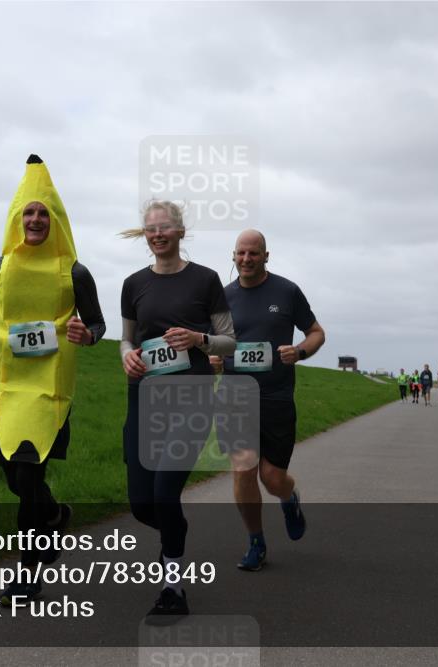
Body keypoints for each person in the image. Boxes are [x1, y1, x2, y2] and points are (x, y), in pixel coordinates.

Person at [0, 154, 105, 605]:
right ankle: (54, 515)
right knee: (15, 477)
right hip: (4, 388)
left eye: (42, 213)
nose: (34, 219)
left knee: (28, 476)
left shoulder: (75, 272)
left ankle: (27, 575)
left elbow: (99, 326)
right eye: (27, 212)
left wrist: (86, 334)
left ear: (57, 222)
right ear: (15, 219)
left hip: (48, 391)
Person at [120, 201, 236, 622]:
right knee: (141, 503)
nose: (157, 234)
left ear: (180, 232)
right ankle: (176, 532)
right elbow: (126, 340)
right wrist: (127, 355)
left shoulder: (204, 280)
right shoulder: (133, 284)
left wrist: (198, 338)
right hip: (143, 399)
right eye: (150, 228)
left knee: (166, 493)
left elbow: (229, 341)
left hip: (191, 398)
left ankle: (173, 586)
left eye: (164, 227)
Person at [208, 230, 325, 572]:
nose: (246, 259)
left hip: (275, 397)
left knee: (272, 478)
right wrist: (212, 360)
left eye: (253, 253)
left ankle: (289, 498)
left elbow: (317, 332)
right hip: (233, 395)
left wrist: (300, 351)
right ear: (233, 256)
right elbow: (211, 343)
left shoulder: (286, 291)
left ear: (266, 256)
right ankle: (255, 541)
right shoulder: (222, 298)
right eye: (241, 253)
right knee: (243, 467)